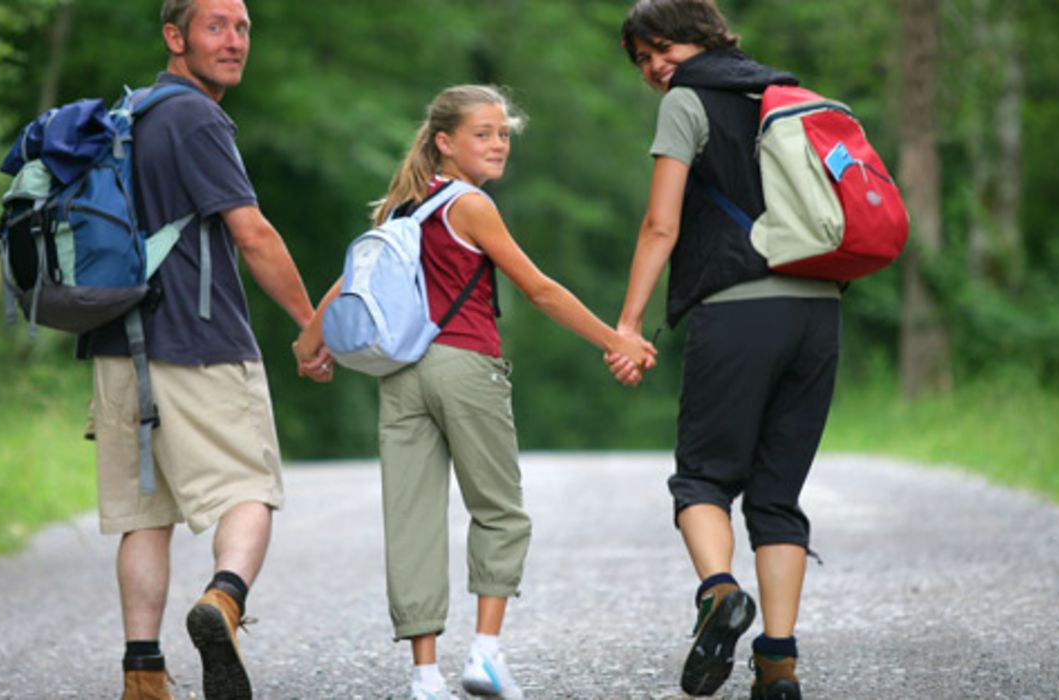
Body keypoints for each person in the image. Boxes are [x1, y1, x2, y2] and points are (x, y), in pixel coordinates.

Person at [293, 85, 656, 700]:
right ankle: (485, 654)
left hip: (400, 376)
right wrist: (613, 340)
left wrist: (309, 342)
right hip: (465, 365)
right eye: (482, 134)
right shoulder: (471, 206)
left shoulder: (402, 205)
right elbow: (539, 289)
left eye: (503, 134)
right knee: (498, 509)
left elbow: (350, 279)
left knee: (411, 520)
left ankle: (424, 677)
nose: (497, 145)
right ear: (445, 143)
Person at [80, 1, 332, 698]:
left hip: (114, 342)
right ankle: (222, 599)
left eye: (242, 27)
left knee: (143, 517)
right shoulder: (196, 117)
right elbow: (251, 233)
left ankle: (142, 674)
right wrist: (311, 324)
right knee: (250, 489)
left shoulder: (127, 116)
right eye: (215, 26)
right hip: (199, 342)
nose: (233, 40)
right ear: (174, 36)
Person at [605, 1, 842, 698]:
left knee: (702, 480)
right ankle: (777, 664)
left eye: (659, 48)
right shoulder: (786, 94)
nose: (653, 67)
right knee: (776, 495)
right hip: (819, 311)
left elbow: (659, 224)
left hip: (736, 309)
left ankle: (718, 593)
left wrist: (629, 323)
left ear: (699, 36)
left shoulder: (688, 100)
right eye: (640, 59)